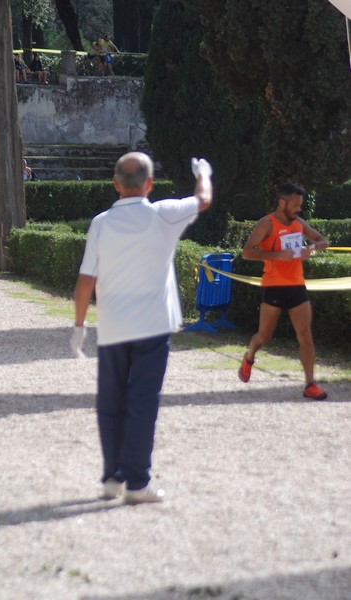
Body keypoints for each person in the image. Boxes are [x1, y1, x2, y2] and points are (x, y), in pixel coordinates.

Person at [71, 152, 213, 504]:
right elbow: (203, 199)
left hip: (114, 325)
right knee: (142, 403)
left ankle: (111, 476)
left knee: (110, 402)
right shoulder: (163, 214)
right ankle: (137, 482)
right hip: (151, 326)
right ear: (149, 184)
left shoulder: (101, 222)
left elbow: (86, 278)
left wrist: (78, 325)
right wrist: (203, 173)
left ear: (116, 184)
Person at [238, 182, 329, 400]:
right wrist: (278, 255)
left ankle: (310, 384)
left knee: (305, 334)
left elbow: (323, 240)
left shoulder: (299, 223)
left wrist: (311, 248)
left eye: (300, 205)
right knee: (264, 336)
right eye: (295, 205)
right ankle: (249, 357)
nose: (298, 209)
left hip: (296, 285)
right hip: (273, 286)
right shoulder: (266, 224)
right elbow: (247, 253)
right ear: (282, 202)